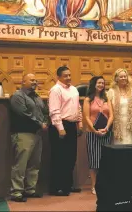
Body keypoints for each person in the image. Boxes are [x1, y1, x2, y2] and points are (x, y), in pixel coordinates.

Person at [9, 74, 49, 202]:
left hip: (37, 134)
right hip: (23, 133)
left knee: (34, 164)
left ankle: (30, 190)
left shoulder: (37, 97)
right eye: (31, 80)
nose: (34, 82)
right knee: (20, 164)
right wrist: (40, 123)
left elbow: (45, 111)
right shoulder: (17, 96)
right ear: (23, 81)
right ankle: (16, 193)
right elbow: (24, 114)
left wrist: (46, 122)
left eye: (35, 80)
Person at [48, 66, 83, 196]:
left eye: (69, 75)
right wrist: (60, 129)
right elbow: (54, 111)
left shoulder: (74, 89)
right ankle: (57, 187)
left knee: (70, 157)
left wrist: (80, 123)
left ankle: (67, 185)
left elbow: (78, 108)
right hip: (60, 126)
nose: (68, 77)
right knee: (59, 158)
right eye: (65, 76)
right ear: (59, 77)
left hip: (72, 125)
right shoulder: (55, 90)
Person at [83, 76, 113, 195]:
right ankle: (94, 186)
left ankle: (103, 184)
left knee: (105, 160)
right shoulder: (88, 99)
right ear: (94, 84)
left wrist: (106, 128)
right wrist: (95, 130)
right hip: (92, 133)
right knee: (94, 160)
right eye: (98, 83)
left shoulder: (107, 98)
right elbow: (86, 117)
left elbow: (111, 115)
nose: (101, 85)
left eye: (102, 83)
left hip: (106, 132)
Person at [107, 68, 132, 144]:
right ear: (116, 78)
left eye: (125, 76)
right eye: (121, 77)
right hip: (118, 124)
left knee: (131, 145)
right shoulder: (111, 92)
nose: (123, 78)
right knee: (119, 146)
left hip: (130, 124)